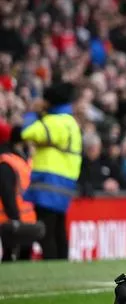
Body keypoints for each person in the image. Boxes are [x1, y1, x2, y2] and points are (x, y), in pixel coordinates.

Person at [20, 82, 82, 260]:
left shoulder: (55, 121)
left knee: (46, 230)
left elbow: (26, 132)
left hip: (49, 180)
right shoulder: (70, 121)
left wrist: (32, 111)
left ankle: (51, 262)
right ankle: (62, 264)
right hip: (65, 181)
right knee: (58, 228)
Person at [0, 120, 44, 261]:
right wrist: (15, 219)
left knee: (23, 259)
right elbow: (7, 193)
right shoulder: (8, 162)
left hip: (27, 220)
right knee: (11, 258)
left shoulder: (25, 161)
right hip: (11, 222)